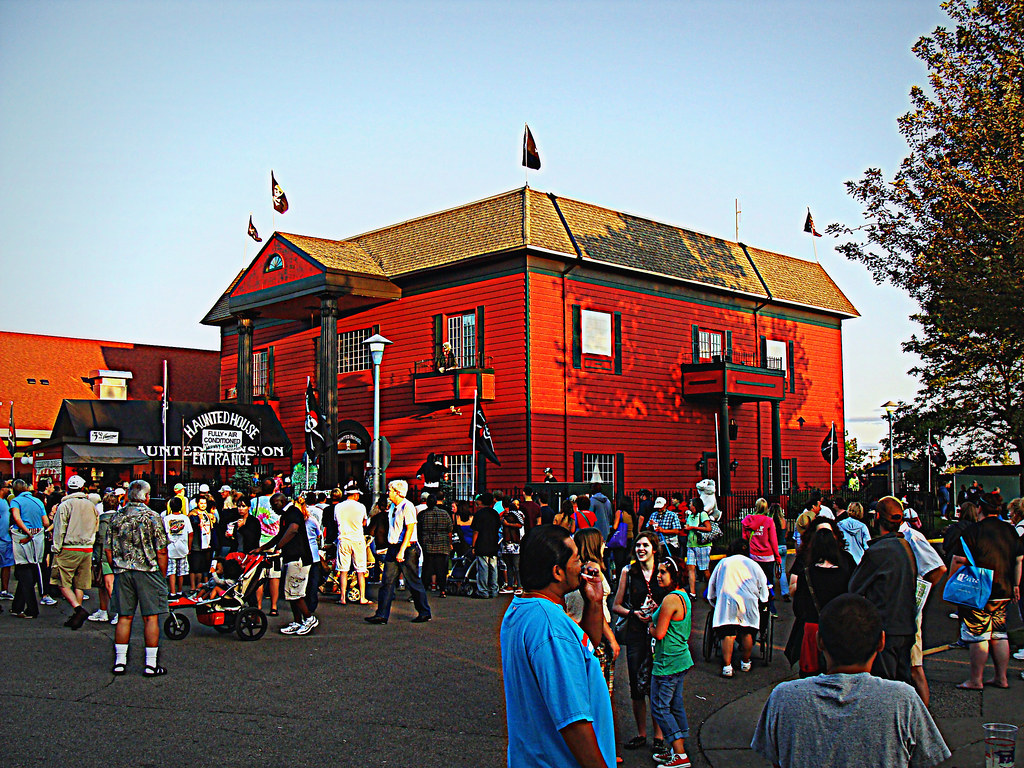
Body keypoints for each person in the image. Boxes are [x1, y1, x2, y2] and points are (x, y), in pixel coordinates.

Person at [751, 594, 950, 768]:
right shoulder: (903, 700)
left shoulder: (784, 697)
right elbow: (927, 759)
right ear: (881, 641)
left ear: (819, 641)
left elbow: (776, 760)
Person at [500, 525, 614, 768]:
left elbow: (582, 649)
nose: (583, 565)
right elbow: (573, 721)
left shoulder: (525, 608)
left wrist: (593, 603)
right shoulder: (550, 627)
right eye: (577, 559)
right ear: (557, 572)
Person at [949, 493, 1023, 689]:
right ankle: (1001, 677)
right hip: (1004, 588)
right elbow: (1018, 560)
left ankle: (976, 680)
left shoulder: (973, 531)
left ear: (979, 509)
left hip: (979, 589)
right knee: (999, 633)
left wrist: (951, 584)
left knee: (978, 634)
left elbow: (959, 560)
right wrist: (1015, 585)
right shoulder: (1010, 530)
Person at [848, 497, 918, 685]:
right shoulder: (905, 546)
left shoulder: (878, 551)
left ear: (877, 517)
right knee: (903, 682)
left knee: (884, 684)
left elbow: (854, 587)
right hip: (906, 625)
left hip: (886, 626)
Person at [565, 528, 620, 763]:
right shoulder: (590, 570)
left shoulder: (586, 568)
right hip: (593, 634)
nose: (605, 544)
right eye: (601, 541)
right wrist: (611, 638)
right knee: (600, 696)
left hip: (595, 628)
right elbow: (594, 609)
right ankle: (601, 750)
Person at [104, 480, 169, 676]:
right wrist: (162, 573)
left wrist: (116, 565)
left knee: (124, 617)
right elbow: (162, 550)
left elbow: (108, 548)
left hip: (123, 570)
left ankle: (120, 661)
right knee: (150, 617)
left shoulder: (117, 516)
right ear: (147, 496)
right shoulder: (152, 517)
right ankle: (150, 664)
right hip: (148, 570)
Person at [611, 531, 667, 753]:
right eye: (637, 545)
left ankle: (659, 736)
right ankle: (642, 733)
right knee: (636, 683)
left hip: (658, 634)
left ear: (654, 549)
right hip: (636, 632)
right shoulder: (629, 572)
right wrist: (633, 612)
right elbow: (616, 605)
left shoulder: (663, 571)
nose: (640, 549)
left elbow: (673, 597)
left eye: (645, 545)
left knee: (657, 684)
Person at [785, 520, 852, 676]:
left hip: (812, 629)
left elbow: (799, 606)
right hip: (839, 628)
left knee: (811, 676)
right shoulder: (846, 565)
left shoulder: (807, 572)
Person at [648, 556, 693, 768]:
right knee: (675, 705)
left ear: (673, 574)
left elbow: (659, 633)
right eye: (658, 572)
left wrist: (650, 626)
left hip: (668, 662)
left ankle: (680, 754)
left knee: (659, 707)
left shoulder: (670, 600)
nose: (658, 575)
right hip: (680, 659)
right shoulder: (683, 596)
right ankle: (678, 750)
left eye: (663, 572)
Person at [365, 480, 431, 624]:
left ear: (398, 492)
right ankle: (382, 614)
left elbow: (410, 528)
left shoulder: (407, 506)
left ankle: (424, 611)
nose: (388, 493)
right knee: (387, 581)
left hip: (406, 548)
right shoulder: (394, 506)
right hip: (394, 546)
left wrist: (401, 550)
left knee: (412, 580)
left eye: (390, 490)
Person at [900, 512, 947, 705]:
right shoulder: (899, 538)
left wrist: (921, 591)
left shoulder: (913, 537)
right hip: (898, 607)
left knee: (914, 664)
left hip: (909, 607)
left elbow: (938, 568)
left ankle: (924, 713)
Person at [708, 537, 770, 678]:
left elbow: (712, 585)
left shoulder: (723, 563)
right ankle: (746, 662)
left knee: (728, 632)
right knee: (747, 630)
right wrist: (764, 601)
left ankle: (727, 667)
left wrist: (713, 601)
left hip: (727, 600)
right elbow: (763, 586)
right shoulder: (753, 565)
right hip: (748, 601)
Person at [259, 493, 318, 636]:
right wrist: (262, 548)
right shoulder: (286, 515)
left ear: (281, 502)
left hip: (299, 558)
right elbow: (280, 534)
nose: (273, 509)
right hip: (291, 558)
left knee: (296, 593)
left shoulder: (293, 512)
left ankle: (309, 618)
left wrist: (278, 547)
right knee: (290, 593)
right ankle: (297, 621)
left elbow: (293, 529)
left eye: (274, 505)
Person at [49, 475, 100, 629]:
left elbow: (59, 528)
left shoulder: (65, 505)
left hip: (69, 547)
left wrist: (56, 548)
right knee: (79, 583)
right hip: (86, 548)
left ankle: (78, 610)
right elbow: (95, 526)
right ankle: (76, 615)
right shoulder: (91, 506)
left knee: (61, 581)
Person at [9, 479, 49, 618]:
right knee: (32, 568)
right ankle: (17, 606)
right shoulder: (38, 501)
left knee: (23, 570)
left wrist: (26, 531)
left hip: (22, 536)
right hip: (38, 537)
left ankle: (32, 609)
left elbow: (16, 517)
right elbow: (46, 521)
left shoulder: (16, 501)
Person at [741, 498, 779, 615]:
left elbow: (744, 538)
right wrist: (777, 557)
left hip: (754, 555)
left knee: (754, 582)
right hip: (767, 556)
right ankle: (770, 607)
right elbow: (773, 540)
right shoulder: (768, 521)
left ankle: (754, 606)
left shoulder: (748, 520)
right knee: (768, 583)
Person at [334, 480, 370, 605]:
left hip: (343, 538)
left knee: (343, 569)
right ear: (355, 495)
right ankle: (363, 597)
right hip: (357, 539)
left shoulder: (338, 507)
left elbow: (336, 522)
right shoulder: (361, 507)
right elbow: (364, 523)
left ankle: (342, 597)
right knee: (360, 569)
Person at [252, 478, 281, 616]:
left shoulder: (254, 502)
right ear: (275, 488)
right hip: (275, 546)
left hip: (259, 544)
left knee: (259, 577)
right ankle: (274, 607)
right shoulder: (279, 502)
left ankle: (258, 606)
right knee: (274, 578)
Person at [419, 492, 453, 597]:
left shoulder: (423, 514)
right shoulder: (445, 514)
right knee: (442, 569)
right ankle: (442, 589)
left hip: (428, 544)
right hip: (442, 543)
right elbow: (450, 529)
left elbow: (419, 530)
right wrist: (449, 543)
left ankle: (424, 589)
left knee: (427, 568)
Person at [470, 492, 501, 599]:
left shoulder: (479, 514)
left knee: (483, 568)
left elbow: (476, 531)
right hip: (493, 543)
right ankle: (494, 589)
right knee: (493, 567)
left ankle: (483, 590)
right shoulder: (495, 514)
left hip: (482, 544)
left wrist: (473, 546)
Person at [163, 496, 193, 599]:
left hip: (171, 548)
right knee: (181, 571)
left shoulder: (166, 519)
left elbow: (164, 534)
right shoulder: (185, 518)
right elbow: (191, 533)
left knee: (171, 571)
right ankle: (180, 591)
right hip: (183, 548)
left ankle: (172, 592)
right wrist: (189, 547)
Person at [682, 497, 712, 599]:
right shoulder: (690, 515)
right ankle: (692, 592)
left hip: (701, 545)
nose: (689, 506)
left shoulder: (702, 514)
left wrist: (693, 528)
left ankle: (712, 589)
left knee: (704, 568)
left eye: (691, 504)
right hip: (691, 544)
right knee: (691, 567)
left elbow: (708, 528)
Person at [500, 500, 525, 593]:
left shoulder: (508, 517)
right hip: (514, 544)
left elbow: (520, 524)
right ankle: (516, 585)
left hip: (510, 543)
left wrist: (508, 524)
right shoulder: (518, 516)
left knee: (512, 565)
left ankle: (515, 585)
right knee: (513, 565)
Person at [770, 502, 790, 602]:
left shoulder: (770, 521)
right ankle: (785, 592)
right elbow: (786, 534)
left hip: (773, 547)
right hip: (783, 546)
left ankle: (772, 593)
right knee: (782, 570)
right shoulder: (784, 521)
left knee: (772, 571)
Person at [0, 486, 14, 601]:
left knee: (6, 565)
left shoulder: (5, 501)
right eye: (6, 487)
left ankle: (4, 590)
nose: (8, 489)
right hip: (2, 539)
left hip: (6, 538)